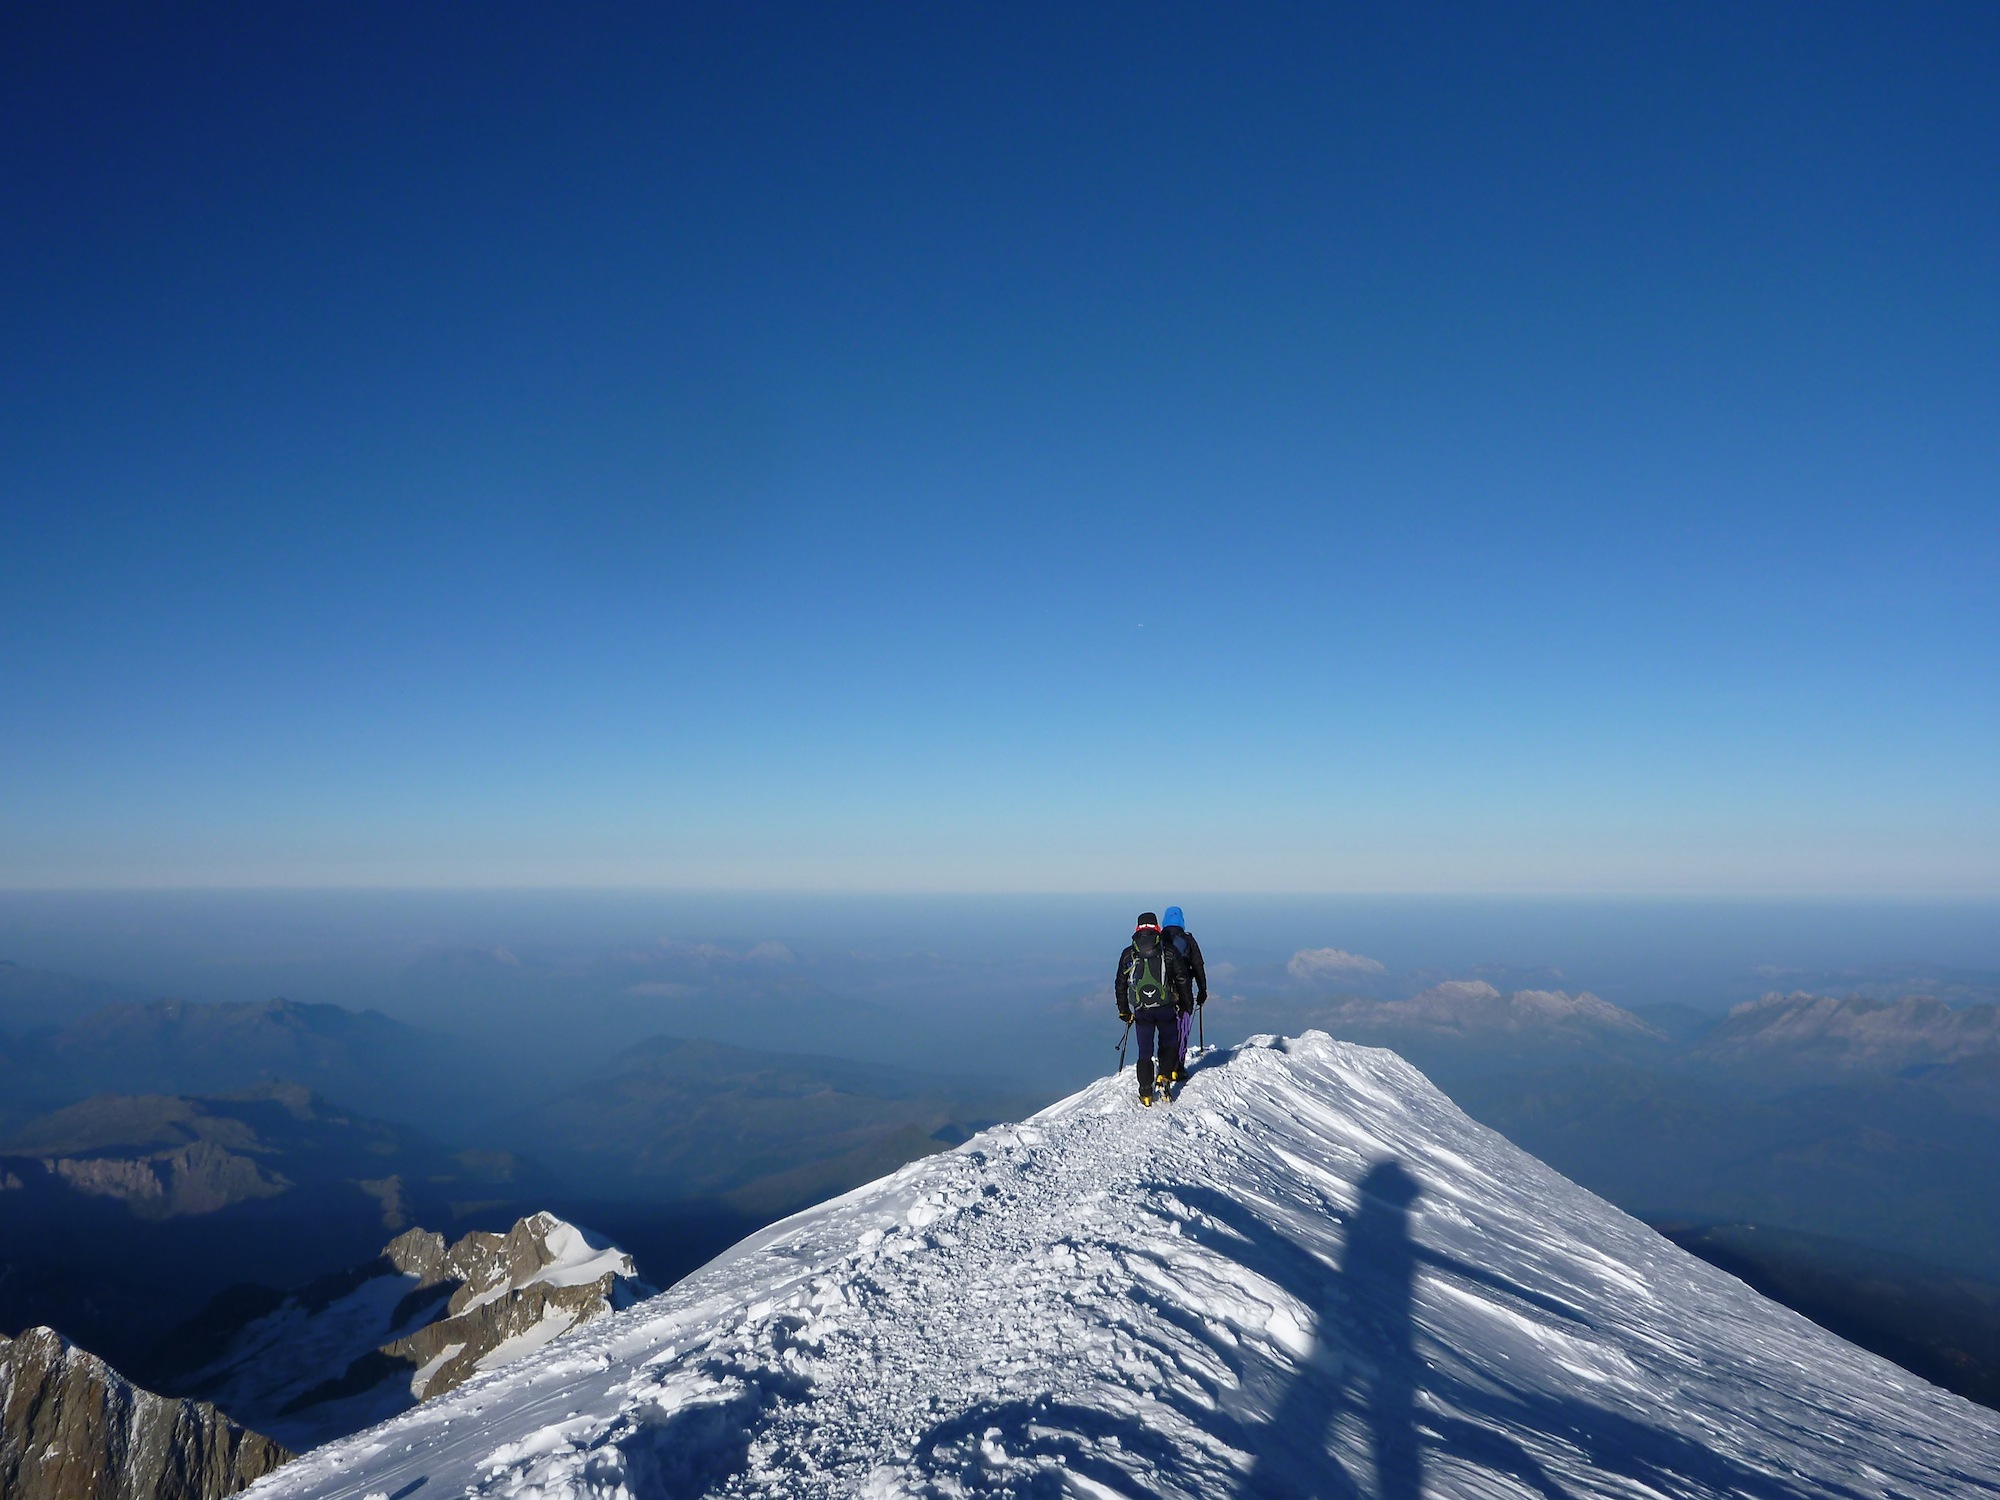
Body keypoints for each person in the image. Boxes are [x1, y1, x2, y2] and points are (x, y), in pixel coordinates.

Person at [1116, 912, 1190, 1106]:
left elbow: (1120, 983)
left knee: (1144, 1052)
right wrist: (1185, 1003)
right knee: (1169, 1043)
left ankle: (1146, 1093)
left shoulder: (1129, 953)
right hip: (1166, 1007)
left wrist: (1124, 1010)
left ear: (1137, 928)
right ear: (1156, 926)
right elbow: (1182, 978)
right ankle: (1164, 1076)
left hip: (1142, 1010)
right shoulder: (1168, 950)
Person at [1160, 905, 1207, 1085]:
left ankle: (1164, 1066)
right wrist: (1203, 990)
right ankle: (1177, 1068)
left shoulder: (1158, 940)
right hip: (1184, 990)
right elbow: (1198, 966)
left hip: (1163, 994)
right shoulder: (1188, 940)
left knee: (1165, 1029)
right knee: (1182, 1027)